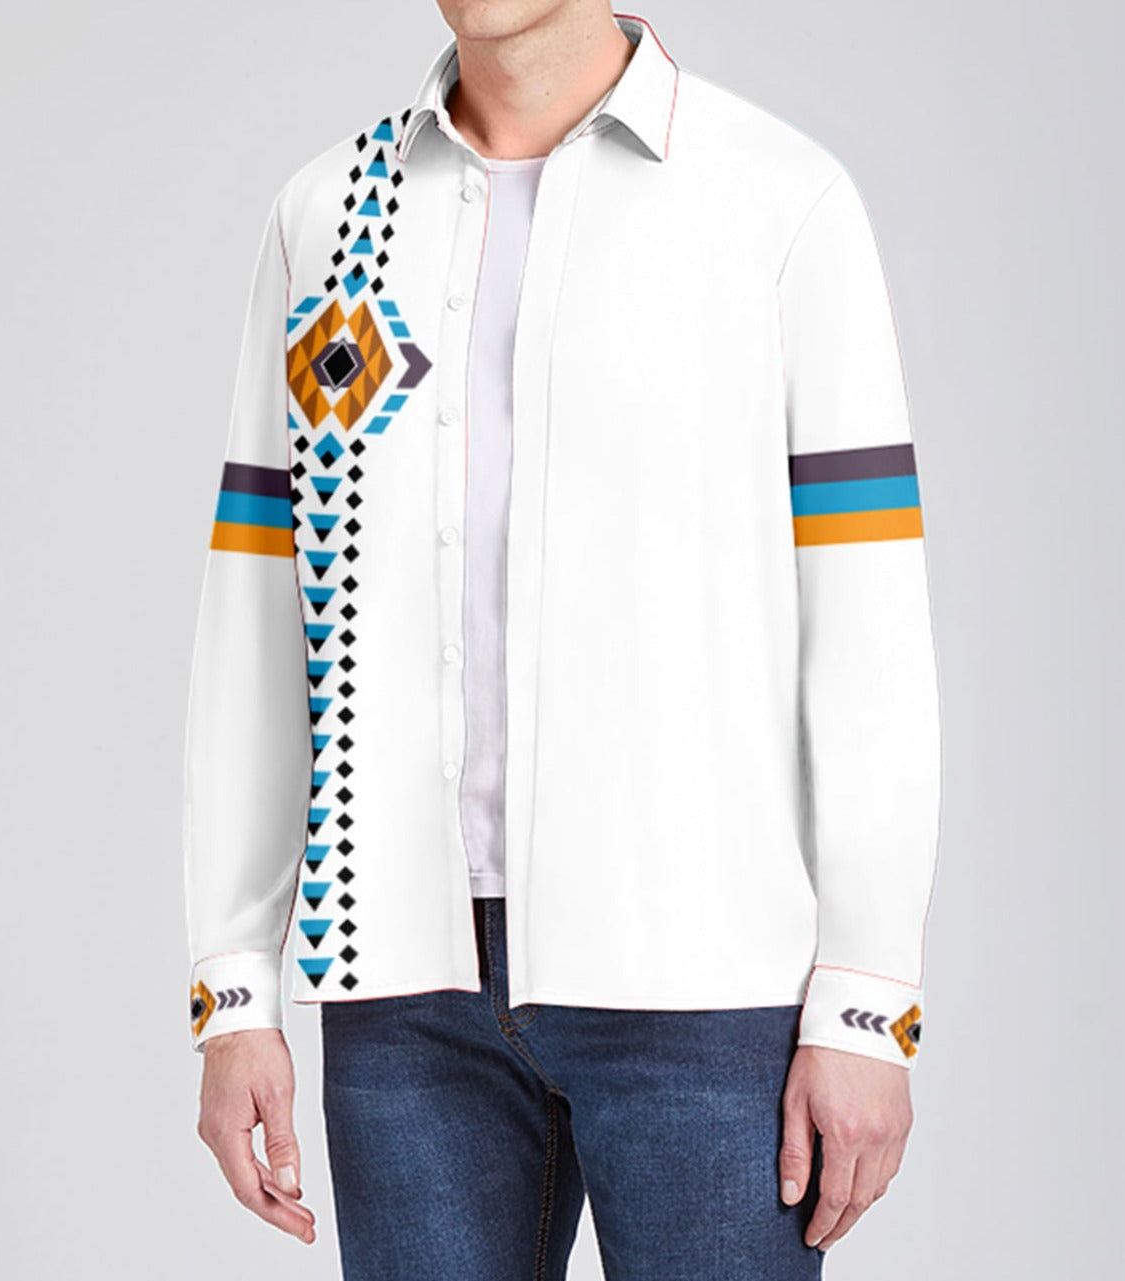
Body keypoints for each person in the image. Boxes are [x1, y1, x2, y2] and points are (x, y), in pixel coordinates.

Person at [182, 3, 942, 1277]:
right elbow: (260, 608)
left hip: (706, 986)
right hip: (402, 991)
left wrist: (868, 996)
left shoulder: (779, 204)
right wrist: (233, 981)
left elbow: (867, 625)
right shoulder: (330, 217)